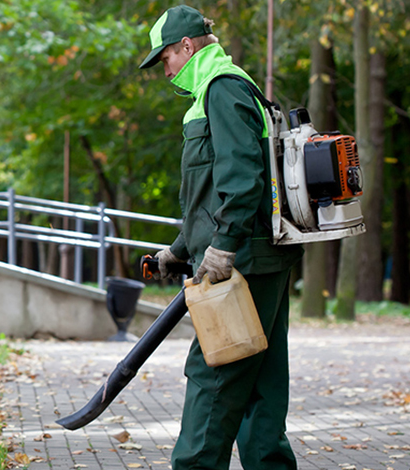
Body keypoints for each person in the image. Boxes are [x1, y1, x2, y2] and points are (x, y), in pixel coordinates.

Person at [139, 5, 304, 470]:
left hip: (242, 262)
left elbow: (242, 176)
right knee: (261, 382)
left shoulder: (221, 89)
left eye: (165, 58)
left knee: (215, 373)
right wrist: (178, 249)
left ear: (186, 47)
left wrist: (224, 245)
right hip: (259, 258)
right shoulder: (225, 88)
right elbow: (209, 192)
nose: (165, 70)